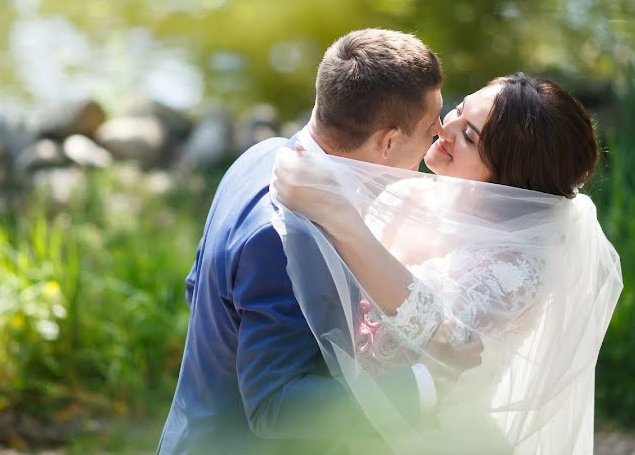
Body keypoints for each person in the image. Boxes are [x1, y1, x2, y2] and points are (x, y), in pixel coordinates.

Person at [157, 29, 476, 454]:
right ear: (388, 141)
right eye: (431, 125)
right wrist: (424, 385)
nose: (440, 134)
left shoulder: (261, 154)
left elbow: (198, 287)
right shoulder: (282, 237)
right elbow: (274, 408)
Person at [271, 73, 623, 454]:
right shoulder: (407, 193)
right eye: (458, 109)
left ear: (509, 178)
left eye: (469, 136)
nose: (443, 127)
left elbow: (446, 336)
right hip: (348, 423)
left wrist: (336, 212)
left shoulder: (520, 269)